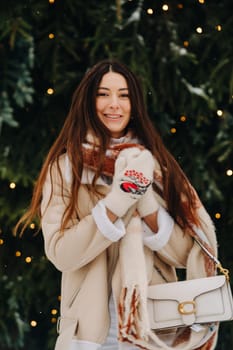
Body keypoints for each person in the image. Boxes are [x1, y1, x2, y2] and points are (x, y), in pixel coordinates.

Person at [16, 59, 219, 350]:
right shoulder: (64, 169)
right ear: (88, 101)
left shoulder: (159, 167)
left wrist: (146, 203)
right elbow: (61, 254)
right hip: (87, 338)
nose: (114, 104)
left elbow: (189, 252)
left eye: (124, 95)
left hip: (154, 334)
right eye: (103, 94)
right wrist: (116, 203)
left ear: (134, 104)